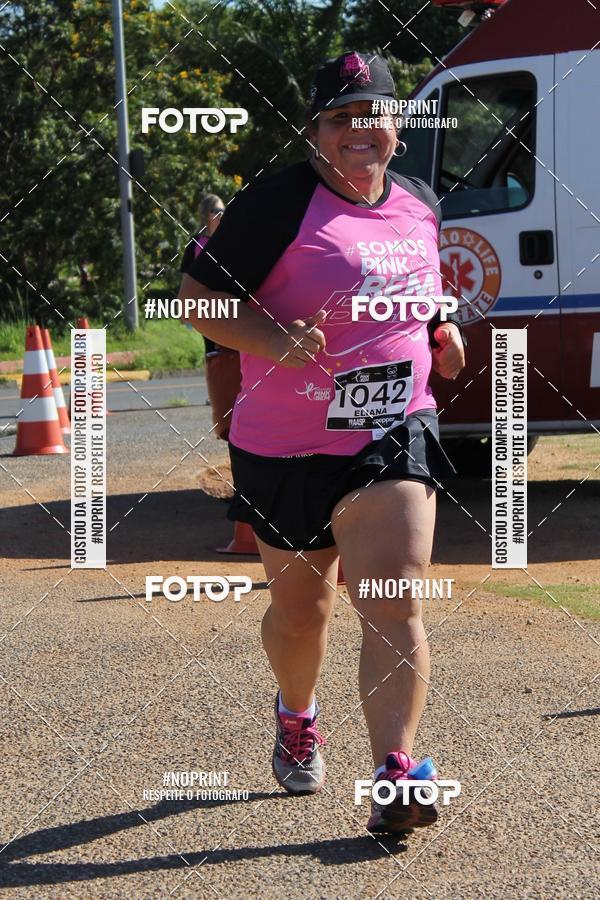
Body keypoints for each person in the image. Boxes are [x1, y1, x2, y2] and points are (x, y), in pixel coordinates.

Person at [178, 51, 466, 834]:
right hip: (283, 445)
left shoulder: (418, 200)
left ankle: (394, 776)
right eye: (341, 119)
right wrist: (270, 337)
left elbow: (416, 288)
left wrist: (441, 331)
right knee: (302, 615)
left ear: (397, 125)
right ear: (316, 132)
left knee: (392, 596)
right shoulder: (272, 206)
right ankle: (297, 710)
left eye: (373, 114)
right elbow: (195, 301)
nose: (359, 130)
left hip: (392, 428)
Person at [180, 193, 241, 438]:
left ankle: (239, 393)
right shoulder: (195, 244)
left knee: (236, 350)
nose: (220, 215)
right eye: (216, 211)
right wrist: (184, 308)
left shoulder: (230, 240)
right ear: (206, 215)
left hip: (231, 306)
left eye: (223, 210)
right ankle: (219, 396)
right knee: (213, 352)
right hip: (206, 307)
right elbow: (185, 278)